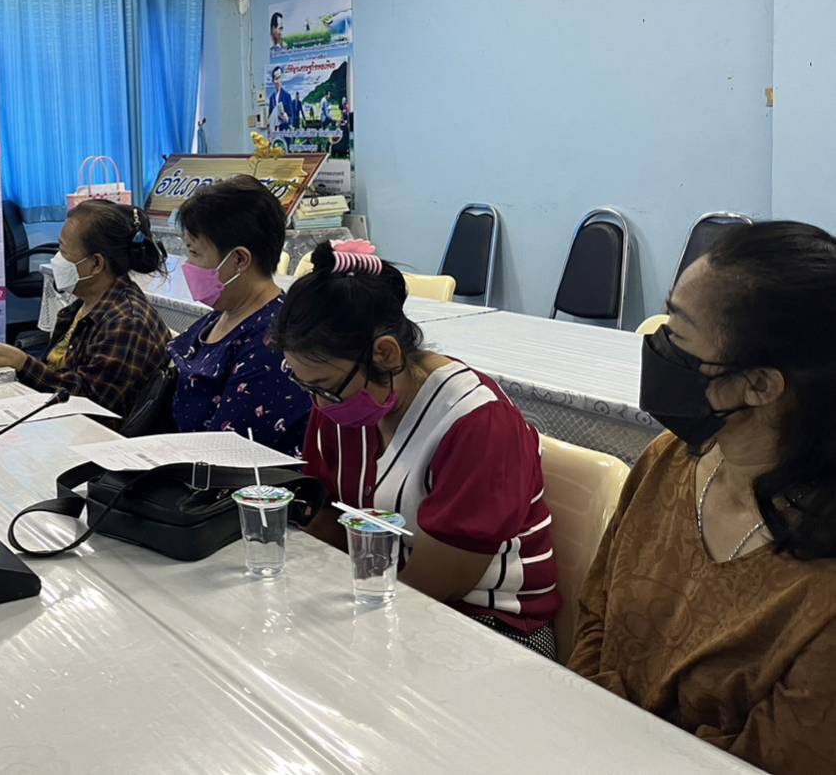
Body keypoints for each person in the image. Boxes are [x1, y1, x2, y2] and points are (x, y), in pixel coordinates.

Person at [570, 222, 836, 773]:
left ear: (759, 385)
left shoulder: (821, 581)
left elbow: (779, 759)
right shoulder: (670, 460)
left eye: (678, 337)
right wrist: (591, 731)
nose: (658, 347)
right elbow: (596, 614)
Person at [271, 241, 561, 656]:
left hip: (490, 623)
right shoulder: (343, 401)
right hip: (384, 595)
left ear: (385, 353)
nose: (318, 405)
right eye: (306, 387)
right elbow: (328, 516)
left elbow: (442, 582)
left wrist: (345, 636)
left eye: (324, 388)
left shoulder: (477, 423)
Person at [0, 200, 169, 414]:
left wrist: (22, 362)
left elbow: (93, 405)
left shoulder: (126, 322)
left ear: (96, 264)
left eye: (63, 251)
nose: (56, 260)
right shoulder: (84, 305)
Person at [170, 177, 311, 454]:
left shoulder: (273, 344)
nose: (188, 265)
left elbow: (230, 453)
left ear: (239, 260)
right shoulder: (223, 315)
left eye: (194, 252)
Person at [267, 66, 301, 132]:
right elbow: (270, 116)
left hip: (284, 132)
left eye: (279, 77)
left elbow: (291, 117)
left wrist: (287, 119)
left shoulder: (287, 96)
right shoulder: (271, 98)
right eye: (276, 78)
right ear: (273, 81)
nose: (278, 81)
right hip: (273, 133)